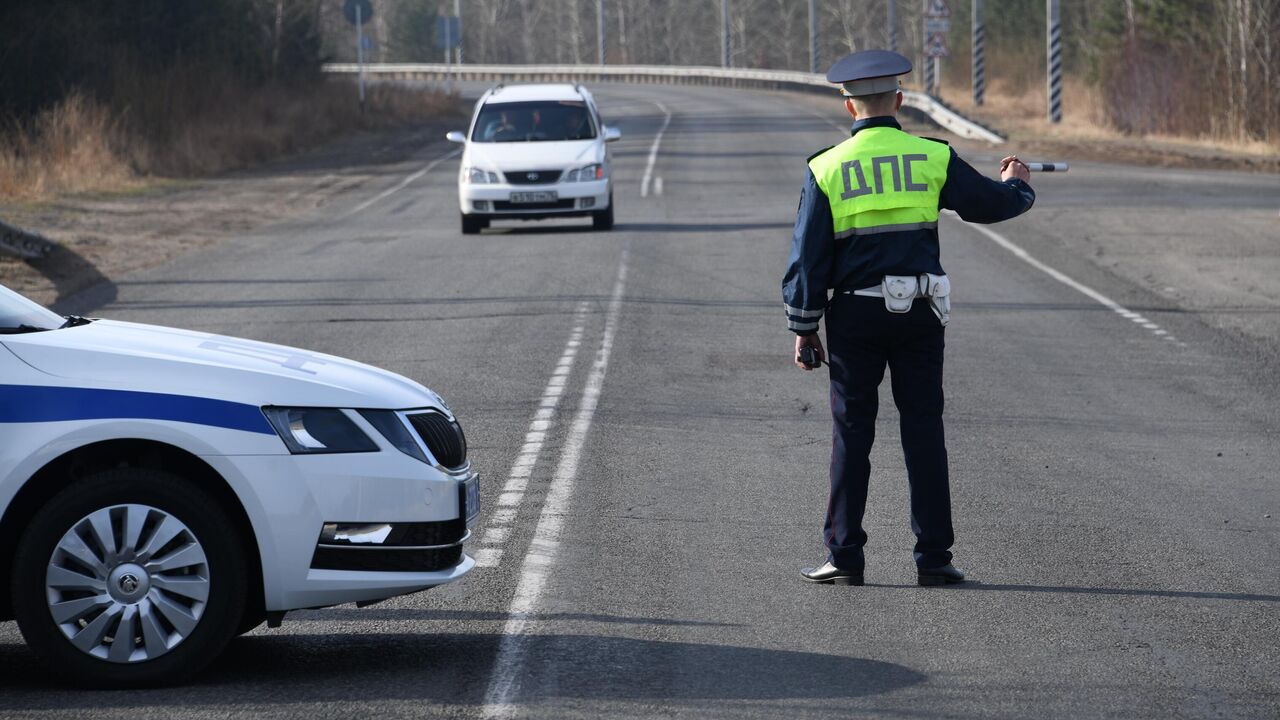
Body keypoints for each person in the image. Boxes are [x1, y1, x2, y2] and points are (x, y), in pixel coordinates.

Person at [782, 49, 1036, 587]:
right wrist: (1018, 183)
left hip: (854, 316)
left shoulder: (825, 167)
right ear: (898, 101)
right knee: (924, 431)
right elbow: (992, 203)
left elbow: (808, 256)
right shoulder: (931, 156)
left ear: (849, 106)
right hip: (921, 314)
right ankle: (934, 559)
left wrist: (805, 329)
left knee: (853, 435)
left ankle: (845, 556)